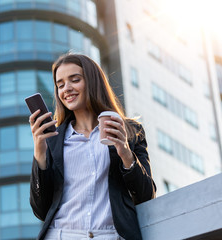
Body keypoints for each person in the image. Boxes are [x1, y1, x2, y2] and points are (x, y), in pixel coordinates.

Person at [28, 53, 156, 240]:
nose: (67, 89)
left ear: (92, 81)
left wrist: (125, 153)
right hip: (61, 234)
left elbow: (146, 195)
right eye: (60, 84)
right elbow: (40, 209)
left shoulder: (130, 130)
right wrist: (39, 151)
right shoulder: (53, 139)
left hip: (111, 235)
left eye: (75, 80)